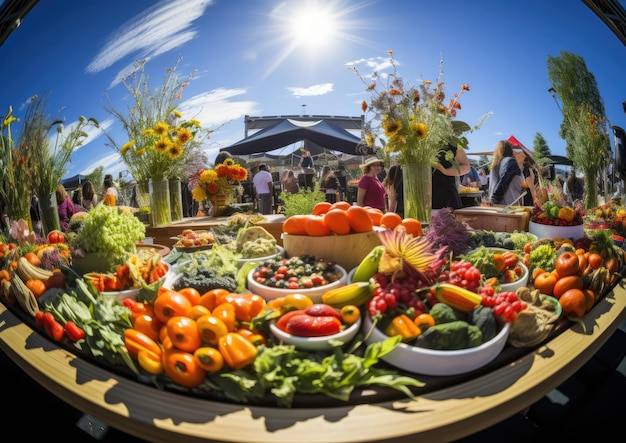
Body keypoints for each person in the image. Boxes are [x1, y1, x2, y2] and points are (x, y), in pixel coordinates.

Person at [432, 145, 470, 210]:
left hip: (445, 195)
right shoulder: (413, 140)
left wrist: (445, 171)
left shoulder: (452, 143)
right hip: (417, 193)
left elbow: (465, 167)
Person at [488, 140, 524, 205]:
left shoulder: (495, 164)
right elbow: (505, 179)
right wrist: (496, 197)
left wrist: (493, 199)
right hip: (509, 203)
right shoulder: (511, 161)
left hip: (496, 203)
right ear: (510, 149)